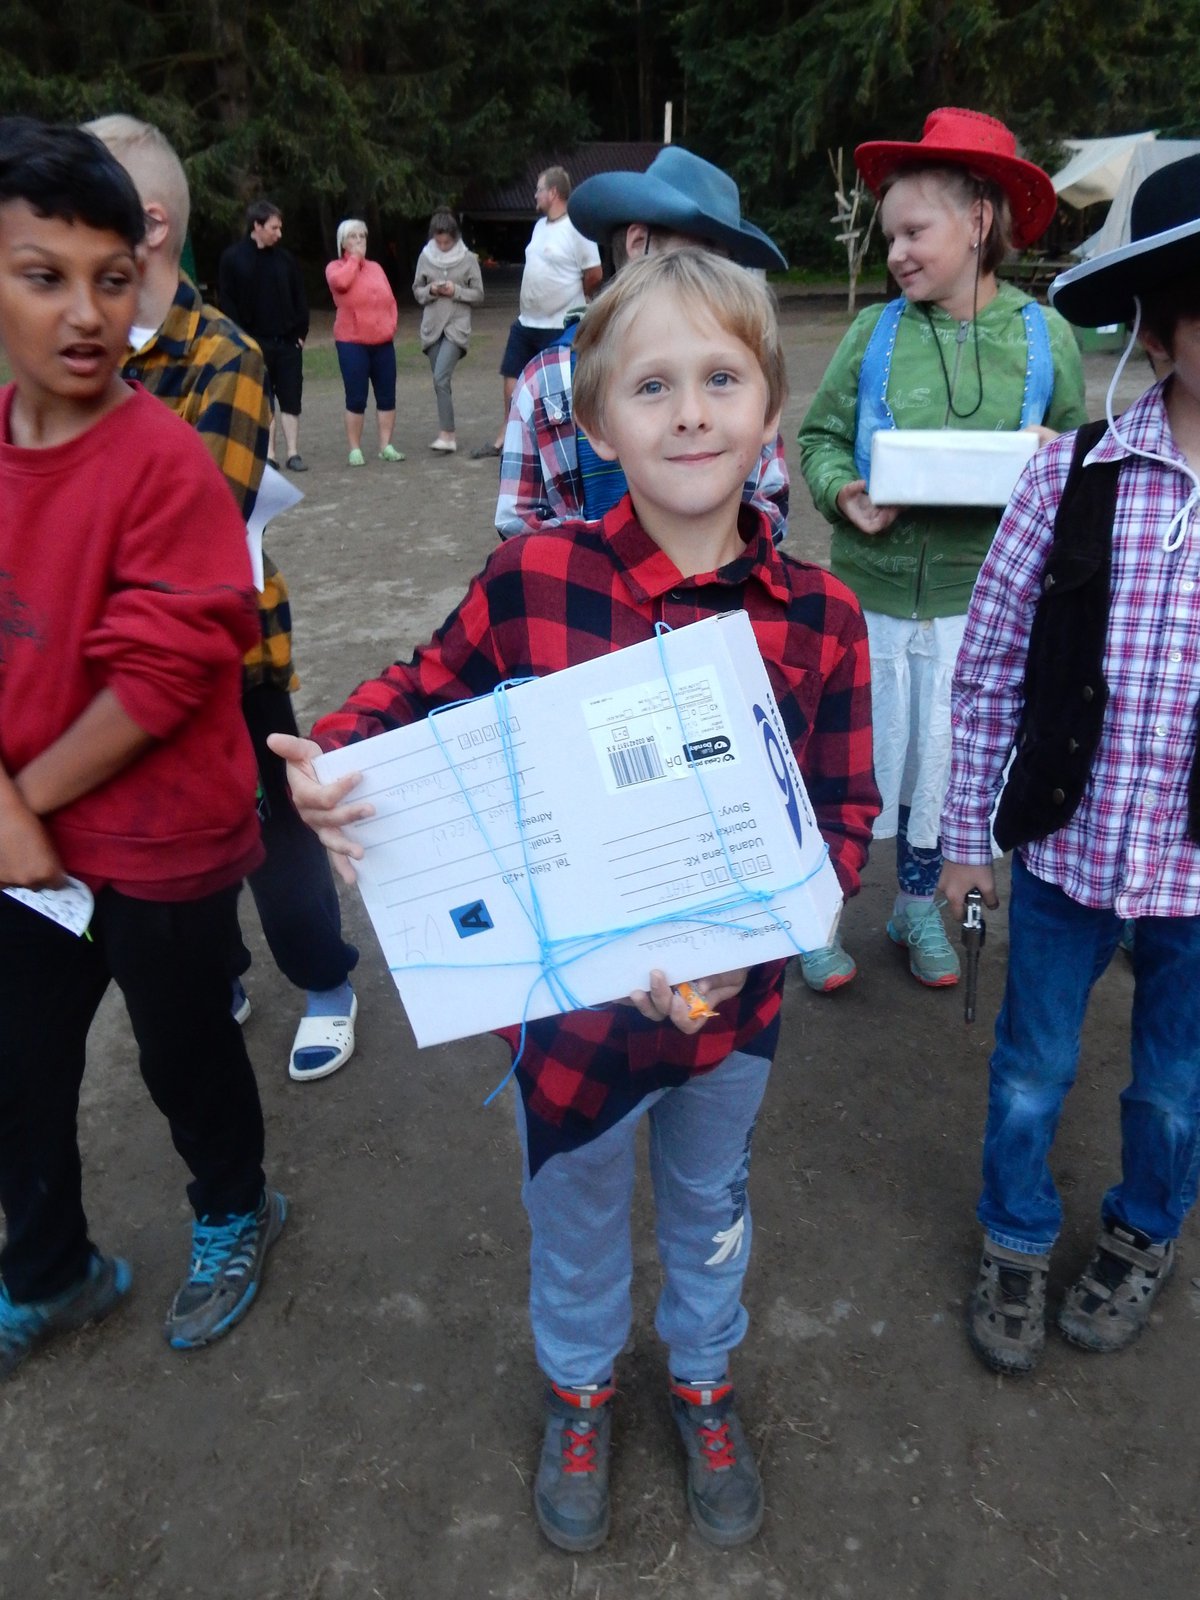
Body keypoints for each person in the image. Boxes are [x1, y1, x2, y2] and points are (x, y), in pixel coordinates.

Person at [269, 250, 879, 1551]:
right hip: (567, 1034)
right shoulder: (535, 580)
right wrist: (335, 756)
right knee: (577, 1220)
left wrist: (759, 943)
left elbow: (843, 817)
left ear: (772, 409)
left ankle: (703, 1377)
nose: (691, 413)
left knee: (711, 1210)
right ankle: (581, 1389)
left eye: (722, 379)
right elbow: (418, 687)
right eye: (652, 386)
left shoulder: (823, 617)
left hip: (729, 1023)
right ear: (595, 422)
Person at [0, 119, 286, 1377]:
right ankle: (50, 1268)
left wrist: (20, 804)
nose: (83, 312)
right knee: (18, 1064)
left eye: (110, 279)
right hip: (24, 844)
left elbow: (165, 672)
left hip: (162, 842)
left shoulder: (163, 464)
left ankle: (236, 1205)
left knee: (185, 1052)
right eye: (41, 275)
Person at [940, 153, 1200, 1378]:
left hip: (1197, 878)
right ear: (1159, 326)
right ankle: (1015, 1232)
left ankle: (1145, 1228)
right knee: (1034, 1067)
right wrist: (965, 841)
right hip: (1066, 844)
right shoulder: (1069, 475)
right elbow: (989, 666)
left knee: (1174, 1085)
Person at [88, 114, 359, 1083]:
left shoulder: (223, 355)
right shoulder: (79, 350)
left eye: (81, 204)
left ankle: (325, 979)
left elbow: (192, 521)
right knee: (174, 837)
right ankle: (224, 969)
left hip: (232, 657)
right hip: (112, 665)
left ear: (150, 224)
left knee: (275, 830)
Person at [798, 107, 1086, 994]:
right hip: (870, 599)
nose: (896, 253)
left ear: (979, 221)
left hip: (981, 608)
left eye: (914, 232)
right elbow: (818, 439)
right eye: (890, 236)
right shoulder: (873, 334)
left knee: (945, 764)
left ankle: (916, 906)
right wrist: (844, 492)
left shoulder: (1044, 338)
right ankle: (818, 912)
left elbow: (1083, 463)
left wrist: (1056, 457)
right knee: (847, 760)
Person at [495, 145, 791, 543]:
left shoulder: (744, 381)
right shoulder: (546, 381)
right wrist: (611, 564)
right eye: (703, 256)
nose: (718, 281)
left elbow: (769, 501)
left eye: (728, 265)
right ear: (638, 243)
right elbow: (519, 522)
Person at [471, 165, 601, 459]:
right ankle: (507, 437)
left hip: (558, 324)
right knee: (511, 375)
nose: (535, 195)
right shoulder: (540, 226)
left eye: (539, 189)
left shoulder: (578, 228)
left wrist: (574, 296)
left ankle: (561, 443)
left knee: (557, 385)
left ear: (553, 193)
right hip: (527, 321)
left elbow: (594, 273)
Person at [219, 199, 309, 471]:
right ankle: (268, 454)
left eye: (280, 228)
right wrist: (242, 340)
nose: (279, 233)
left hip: (288, 343)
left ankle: (293, 452)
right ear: (257, 226)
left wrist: (300, 333)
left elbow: (300, 297)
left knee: (291, 397)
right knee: (263, 398)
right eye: (274, 228)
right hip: (254, 344)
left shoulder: (285, 260)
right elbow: (227, 303)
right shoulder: (233, 259)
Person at [325, 218, 404, 467]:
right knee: (356, 397)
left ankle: (385, 445)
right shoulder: (335, 268)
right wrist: (355, 260)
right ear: (343, 243)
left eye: (362, 236)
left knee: (387, 395)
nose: (359, 241)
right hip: (352, 342)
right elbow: (341, 283)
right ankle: (355, 448)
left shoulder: (376, 268)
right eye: (353, 237)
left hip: (382, 341)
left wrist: (390, 325)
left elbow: (390, 300)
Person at [412, 209, 483, 453]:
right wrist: (431, 290)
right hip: (432, 327)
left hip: (456, 327)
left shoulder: (468, 259)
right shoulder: (425, 257)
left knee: (440, 377)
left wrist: (456, 291)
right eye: (439, 242)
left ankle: (447, 434)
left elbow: (479, 294)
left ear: (455, 237)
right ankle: (448, 434)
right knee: (441, 381)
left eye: (447, 242)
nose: (443, 246)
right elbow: (417, 291)